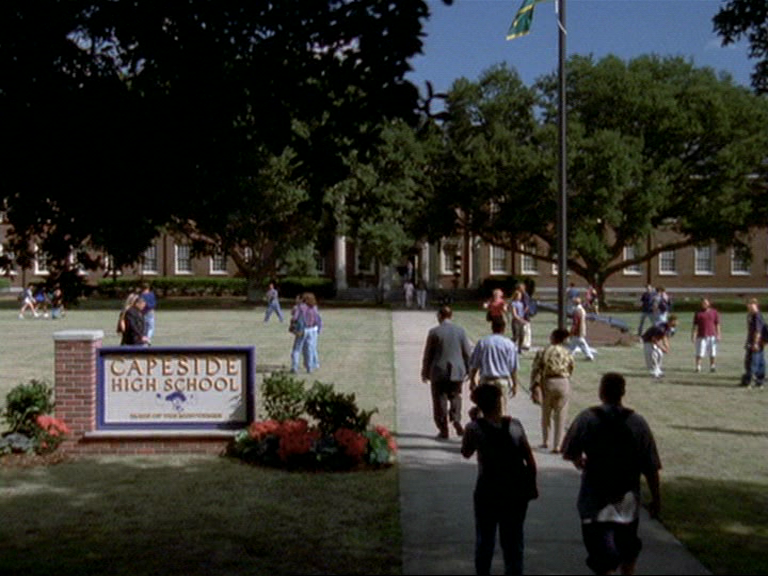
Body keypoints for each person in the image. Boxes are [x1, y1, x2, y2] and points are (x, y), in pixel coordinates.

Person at [561, 372, 662, 576]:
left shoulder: (587, 418)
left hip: (594, 503)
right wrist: (656, 498)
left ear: (601, 392)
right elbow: (650, 466)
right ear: (623, 392)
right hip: (627, 503)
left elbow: (569, 450)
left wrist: (580, 461)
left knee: (602, 561)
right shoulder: (638, 423)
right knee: (628, 553)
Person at [461, 383, 538, 576]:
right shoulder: (515, 426)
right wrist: (532, 485)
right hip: (515, 490)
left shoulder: (474, 428)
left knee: (485, 540)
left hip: (487, 489)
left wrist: (474, 420)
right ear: (498, 402)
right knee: (513, 541)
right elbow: (529, 459)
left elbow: (466, 452)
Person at [421, 305, 472, 439]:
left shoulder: (434, 332)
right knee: (455, 396)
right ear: (451, 316)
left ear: (439, 316)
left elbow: (428, 354)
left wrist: (425, 372)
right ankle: (456, 419)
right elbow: (467, 352)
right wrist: (469, 370)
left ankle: (443, 428)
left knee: (440, 400)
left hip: (439, 371)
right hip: (457, 370)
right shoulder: (460, 331)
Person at [530, 328, 574, 453]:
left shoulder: (544, 351)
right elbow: (571, 367)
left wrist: (534, 385)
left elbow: (536, 368)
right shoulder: (567, 352)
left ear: (553, 337)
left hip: (548, 381)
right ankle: (557, 445)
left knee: (546, 413)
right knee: (561, 414)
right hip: (563, 381)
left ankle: (545, 441)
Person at [468, 318, 519, 414]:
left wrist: (472, 380)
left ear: (492, 327)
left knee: (484, 410)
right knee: (501, 410)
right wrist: (515, 385)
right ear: (504, 329)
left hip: (486, 380)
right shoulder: (509, 344)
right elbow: (513, 367)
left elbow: (475, 364)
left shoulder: (483, 342)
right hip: (502, 381)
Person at [641, 314, 678, 380]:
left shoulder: (667, 327)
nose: (676, 323)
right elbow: (654, 339)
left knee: (660, 354)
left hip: (655, 340)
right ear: (670, 321)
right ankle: (653, 372)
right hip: (648, 341)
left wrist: (667, 346)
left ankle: (658, 370)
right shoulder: (661, 328)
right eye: (674, 322)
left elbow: (664, 337)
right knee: (653, 355)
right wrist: (663, 348)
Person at [740, 298, 765, 389]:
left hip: (756, 343)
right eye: (748, 304)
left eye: (751, 304)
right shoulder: (751, 315)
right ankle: (758, 381)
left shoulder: (757, 316)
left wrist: (755, 343)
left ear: (756, 305)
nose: (749, 306)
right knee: (757, 361)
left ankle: (751, 381)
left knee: (753, 362)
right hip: (753, 342)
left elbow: (758, 331)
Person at [691, 298, 721, 373]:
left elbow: (717, 324)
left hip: (712, 335)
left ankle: (712, 366)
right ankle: (698, 367)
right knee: (700, 352)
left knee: (712, 352)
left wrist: (718, 334)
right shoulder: (698, 313)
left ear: (709, 303)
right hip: (701, 336)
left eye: (706, 303)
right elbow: (695, 326)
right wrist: (693, 335)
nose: (704, 304)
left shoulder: (714, 312)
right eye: (703, 303)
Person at [508, 289, 529, 354]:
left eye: (520, 296)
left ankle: (519, 349)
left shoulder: (521, 304)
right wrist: (522, 320)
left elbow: (521, 313)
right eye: (519, 296)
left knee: (522, 335)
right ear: (515, 296)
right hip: (516, 321)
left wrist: (525, 311)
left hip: (521, 321)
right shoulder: (513, 304)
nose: (520, 297)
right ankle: (509, 345)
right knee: (516, 336)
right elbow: (514, 315)